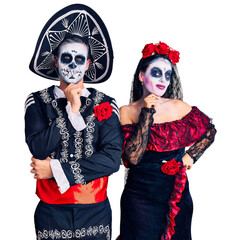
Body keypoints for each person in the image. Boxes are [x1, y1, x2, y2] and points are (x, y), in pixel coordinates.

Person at [25, 4, 122, 240]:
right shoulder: (36, 101)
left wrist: (55, 169)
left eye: (79, 59)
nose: (72, 64)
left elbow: (111, 160)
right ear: (56, 61)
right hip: (51, 210)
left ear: (88, 64)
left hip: (95, 211)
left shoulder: (105, 103)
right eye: (66, 57)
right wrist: (72, 112)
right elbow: (38, 148)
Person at [118, 41, 217, 240]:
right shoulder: (126, 111)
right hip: (139, 199)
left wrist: (191, 155)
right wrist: (147, 112)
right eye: (156, 73)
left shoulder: (179, 107)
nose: (163, 80)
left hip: (176, 195)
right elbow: (131, 158)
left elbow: (209, 131)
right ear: (141, 76)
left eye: (167, 75)